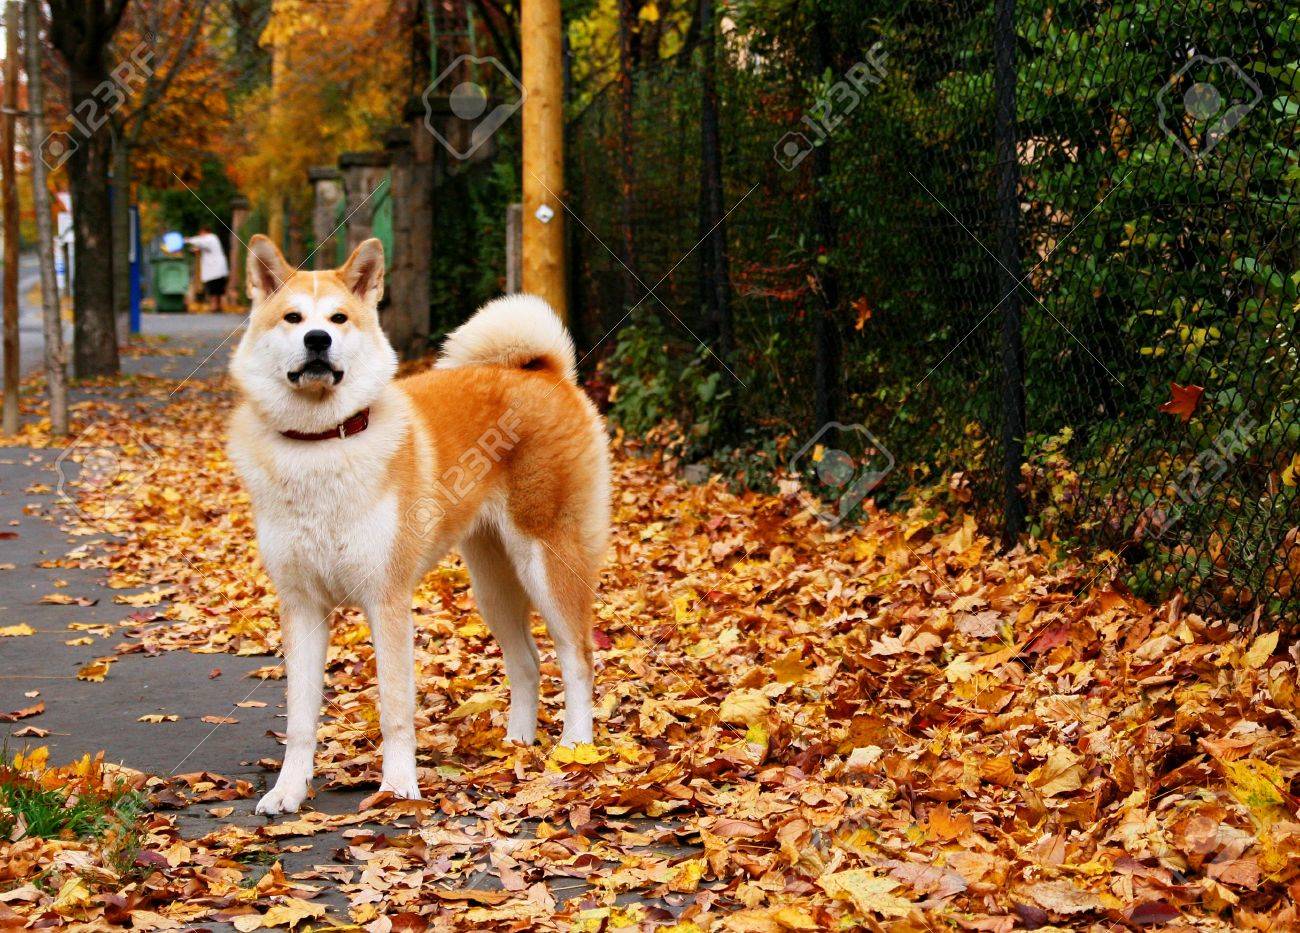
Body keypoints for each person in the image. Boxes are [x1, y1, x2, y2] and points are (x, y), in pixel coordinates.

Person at [184, 225, 230, 312]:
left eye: (200, 234)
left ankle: (215, 306)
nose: (200, 235)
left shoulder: (211, 238)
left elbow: (201, 242)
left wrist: (188, 240)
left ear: (204, 232)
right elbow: (201, 246)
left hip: (215, 270)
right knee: (217, 290)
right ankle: (217, 306)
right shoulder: (210, 241)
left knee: (215, 290)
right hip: (216, 270)